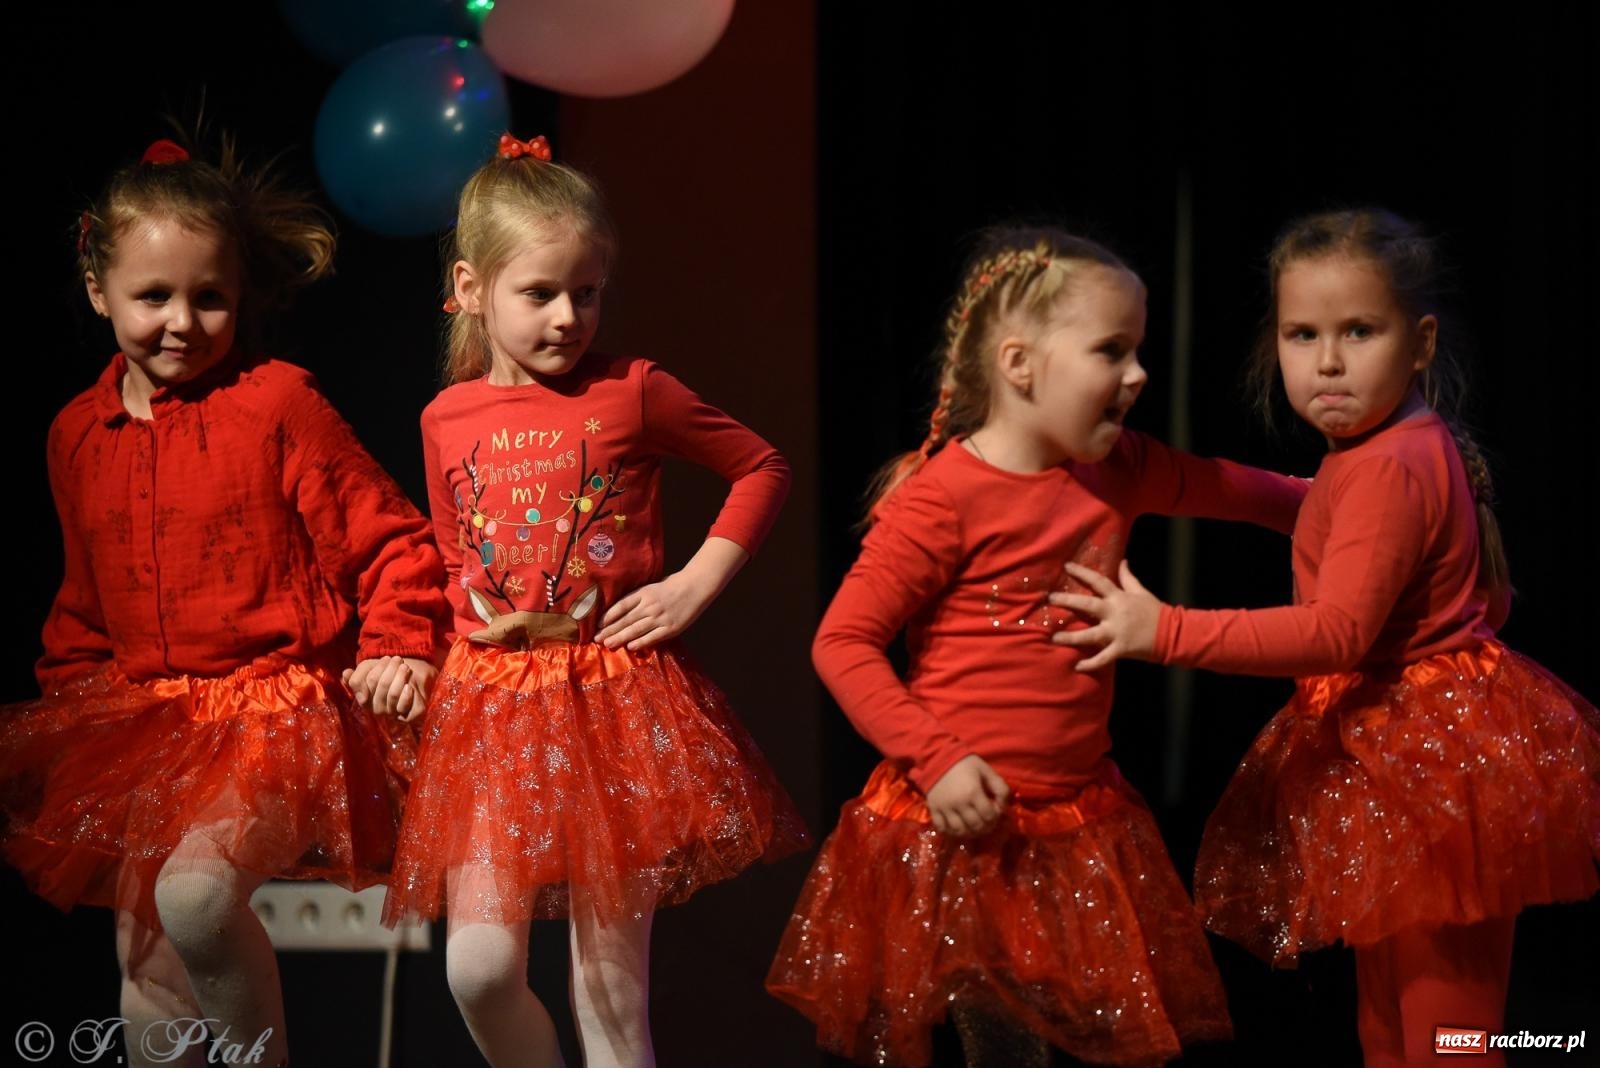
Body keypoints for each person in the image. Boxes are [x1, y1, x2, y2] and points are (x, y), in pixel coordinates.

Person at [1050, 208, 1600, 1067]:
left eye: (1358, 331)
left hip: (1429, 766)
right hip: (1417, 758)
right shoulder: (1387, 444)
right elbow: (1301, 501)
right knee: (1398, 1026)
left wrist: (1165, 630)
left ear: (1419, 343)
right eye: (1301, 334)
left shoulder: (1387, 462)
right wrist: (1151, 473)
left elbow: (1337, 631)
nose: (1328, 361)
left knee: (1443, 1038)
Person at [766, 224, 1309, 1067]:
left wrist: (1367, 488)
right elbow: (843, 642)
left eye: (1137, 350)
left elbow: (1246, 492)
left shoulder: (1119, 467)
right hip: (965, 829)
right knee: (1007, 1047)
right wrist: (936, 759)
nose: (1138, 375)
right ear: (1020, 366)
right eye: (1110, 350)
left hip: (1075, 823)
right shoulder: (943, 500)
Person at [0, 132, 449, 1068]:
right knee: (146, 958)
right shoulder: (75, 434)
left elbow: (392, 538)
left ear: (240, 296)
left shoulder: (278, 403)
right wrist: (74, 711)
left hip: (274, 710)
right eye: (152, 296)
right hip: (150, 721)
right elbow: (86, 597)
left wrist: (401, 641)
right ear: (98, 292)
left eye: (210, 298)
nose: (183, 322)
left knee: (197, 899)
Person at [381, 133, 808, 1068]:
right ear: (469, 287)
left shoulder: (633, 390)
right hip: (493, 711)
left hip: (612, 698)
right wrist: (423, 659)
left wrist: (695, 581)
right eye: (540, 293)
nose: (568, 315)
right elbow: (456, 560)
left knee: (609, 992)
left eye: (588, 291)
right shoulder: (444, 418)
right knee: (480, 971)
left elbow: (760, 465)